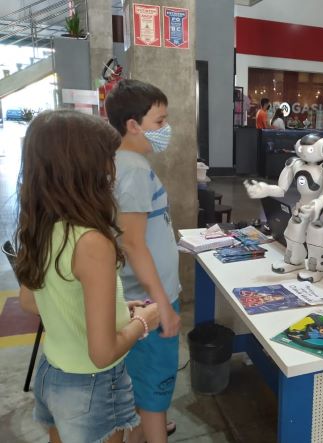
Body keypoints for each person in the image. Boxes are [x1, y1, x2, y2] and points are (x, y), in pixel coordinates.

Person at [15, 110, 161, 443]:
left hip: (51, 373)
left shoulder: (42, 225)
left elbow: (30, 299)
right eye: (109, 158)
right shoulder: (92, 242)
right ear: (85, 168)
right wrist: (143, 321)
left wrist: (116, 310)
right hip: (91, 385)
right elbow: (102, 353)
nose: (113, 167)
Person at [106, 79, 181, 443]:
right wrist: (163, 305)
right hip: (150, 302)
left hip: (142, 297)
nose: (165, 130)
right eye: (159, 122)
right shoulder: (132, 169)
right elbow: (134, 245)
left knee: (139, 386)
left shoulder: (126, 163)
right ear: (132, 125)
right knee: (154, 393)